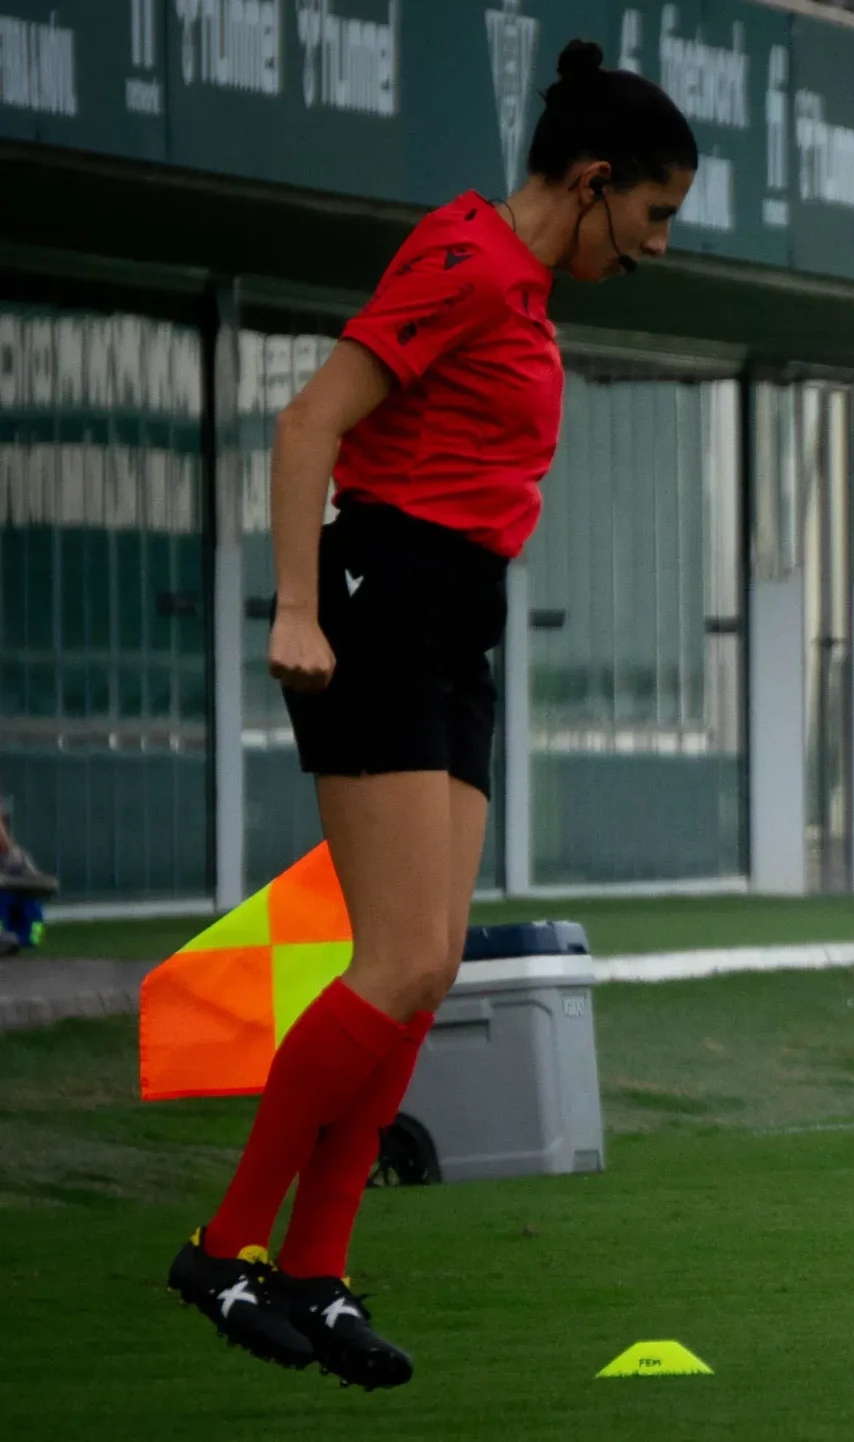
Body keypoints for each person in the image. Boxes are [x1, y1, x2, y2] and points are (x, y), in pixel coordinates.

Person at [164, 41, 694, 1389]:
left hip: (456, 614)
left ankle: (321, 1271)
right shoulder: (467, 261)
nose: (655, 244)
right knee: (395, 958)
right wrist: (297, 604)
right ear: (591, 182)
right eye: (653, 214)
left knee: (431, 960)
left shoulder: (523, 288)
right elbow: (307, 427)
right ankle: (226, 1246)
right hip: (383, 598)